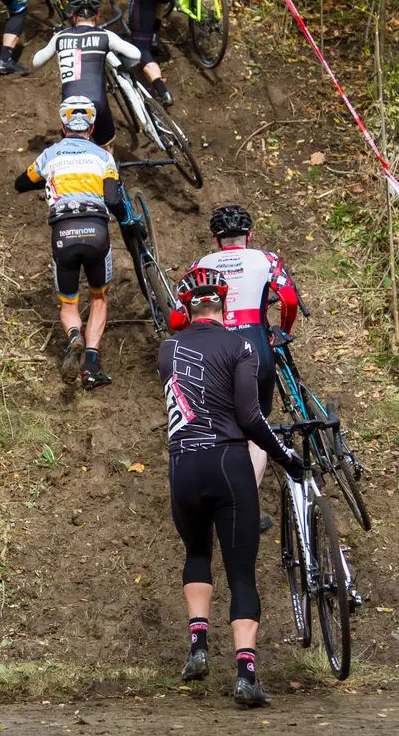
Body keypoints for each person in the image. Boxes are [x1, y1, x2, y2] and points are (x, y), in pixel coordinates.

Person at [158, 264, 303, 707]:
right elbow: (249, 417)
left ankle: (198, 646)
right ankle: (246, 674)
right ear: (223, 306)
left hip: (183, 465)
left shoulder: (167, 349)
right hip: (228, 461)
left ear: (186, 309)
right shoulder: (241, 345)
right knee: (241, 572)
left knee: (196, 553)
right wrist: (284, 457)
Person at [170, 204, 299, 496]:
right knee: (256, 428)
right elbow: (289, 300)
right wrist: (284, 331)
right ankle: (246, 503)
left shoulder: (201, 265)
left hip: (212, 351)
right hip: (255, 346)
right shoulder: (266, 259)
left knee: (221, 429)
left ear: (217, 240)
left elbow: (177, 318)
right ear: (249, 235)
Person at [15, 96, 130, 389]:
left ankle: (74, 335)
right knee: (99, 297)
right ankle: (90, 365)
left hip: (63, 233)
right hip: (96, 231)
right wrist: (128, 221)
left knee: (69, 303)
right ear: (92, 127)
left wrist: (42, 181)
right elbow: (113, 199)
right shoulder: (104, 157)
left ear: (63, 127)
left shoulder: (51, 154)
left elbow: (21, 182)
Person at [32, 0, 141, 148]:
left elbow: (36, 62)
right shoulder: (105, 35)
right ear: (96, 16)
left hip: (70, 104)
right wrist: (122, 65)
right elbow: (136, 54)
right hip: (97, 102)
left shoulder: (60, 36)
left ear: (73, 16)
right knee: (106, 147)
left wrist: (56, 42)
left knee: (72, 149)